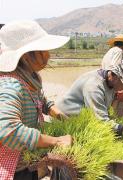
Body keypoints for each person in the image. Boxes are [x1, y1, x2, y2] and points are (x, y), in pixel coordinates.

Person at [0, 20, 72, 179]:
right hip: (11, 167)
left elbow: (41, 100)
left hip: (27, 160)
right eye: (43, 50)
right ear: (26, 56)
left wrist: (58, 114)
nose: (48, 55)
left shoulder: (30, 78)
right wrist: (56, 141)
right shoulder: (11, 85)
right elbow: (7, 130)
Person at [56, 60, 123, 136]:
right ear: (115, 77)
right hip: (64, 118)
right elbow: (101, 122)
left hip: (83, 115)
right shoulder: (94, 87)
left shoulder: (110, 81)